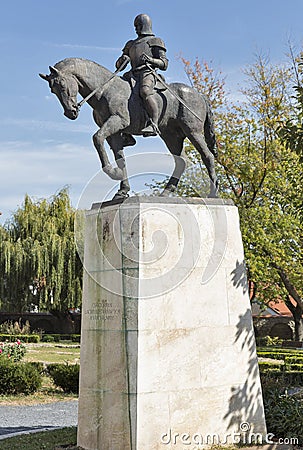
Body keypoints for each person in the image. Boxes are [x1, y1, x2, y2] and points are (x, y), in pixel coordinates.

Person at [115, 13, 168, 136]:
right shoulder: (130, 44)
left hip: (147, 72)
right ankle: (126, 133)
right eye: (135, 26)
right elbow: (118, 65)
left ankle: (153, 124)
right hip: (132, 74)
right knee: (119, 94)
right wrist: (122, 59)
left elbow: (164, 64)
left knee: (144, 91)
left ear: (145, 25)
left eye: (138, 26)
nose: (136, 29)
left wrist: (151, 60)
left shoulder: (155, 41)